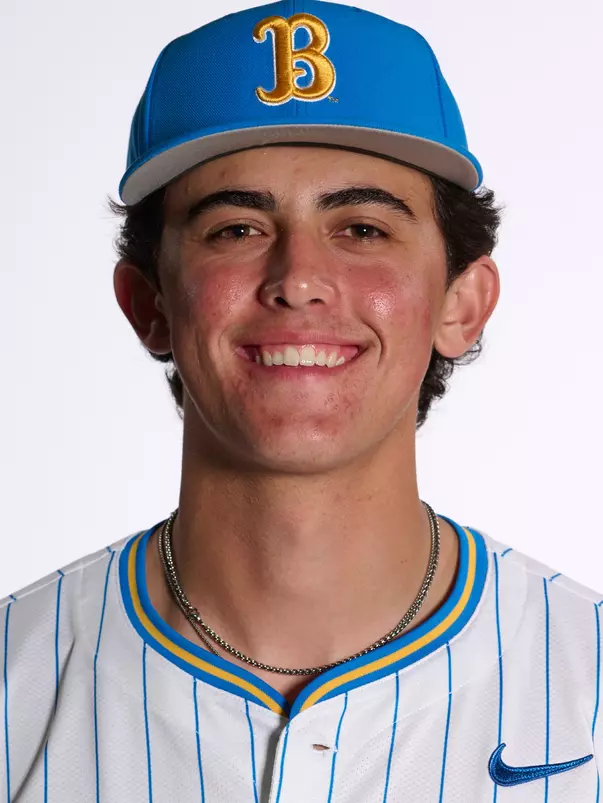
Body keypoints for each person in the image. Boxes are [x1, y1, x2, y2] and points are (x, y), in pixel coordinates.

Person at [1, 0, 601, 800]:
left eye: (361, 228)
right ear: (149, 304)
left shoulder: (586, 679)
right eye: (235, 229)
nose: (298, 280)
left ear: (462, 302)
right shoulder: (17, 683)